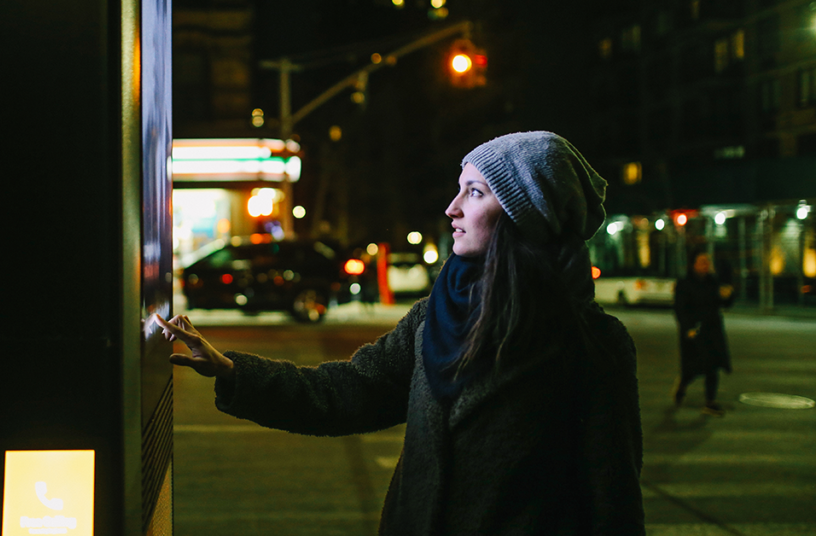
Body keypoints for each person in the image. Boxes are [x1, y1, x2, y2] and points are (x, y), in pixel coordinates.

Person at [156, 131, 645, 535]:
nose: (452, 208)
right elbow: (348, 391)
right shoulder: (436, 316)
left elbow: (613, 502)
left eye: (474, 192)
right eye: (459, 188)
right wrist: (234, 371)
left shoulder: (594, 344)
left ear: (523, 213)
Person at [673, 250, 734, 417]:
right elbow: (680, 309)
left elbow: (722, 303)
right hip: (695, 330)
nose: (706, 265)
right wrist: (687, 328)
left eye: (707, 262)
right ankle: (682, 385)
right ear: (693, 264)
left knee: (712, 366)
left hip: (712, 330)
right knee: (692, 367)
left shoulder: (713, 282)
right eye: (702, 261)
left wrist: (727, 296)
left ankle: (710, 402)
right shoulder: (685, 283)